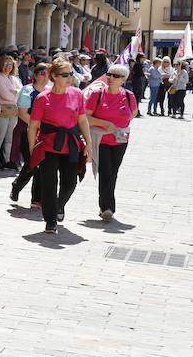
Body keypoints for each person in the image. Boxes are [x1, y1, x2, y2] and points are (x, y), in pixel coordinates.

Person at [26, 58, 93, 233]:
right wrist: (32, 149)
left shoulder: (77, 93)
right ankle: (50, 220)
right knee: (49, 184)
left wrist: (89, 144)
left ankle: (58, 206)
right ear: (53, 76)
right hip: (48, 146)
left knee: (70, 183)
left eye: (70, 73)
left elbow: (82, 120)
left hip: (70, 144)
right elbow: (33, 126)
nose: (69, 77)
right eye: (65, 74)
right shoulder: (42, 98)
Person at [84, 64, 137, 221]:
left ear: (123, 79)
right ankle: (107, 207)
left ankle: (105, 206)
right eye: (109, 74)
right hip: (101, 138)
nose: (110, 78)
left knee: (113, 171)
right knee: (106, 171)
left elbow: (132, 113)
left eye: (115, 76)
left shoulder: (128, 95)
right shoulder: (96, 94)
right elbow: (85, 116)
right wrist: (105, 124)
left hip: (120, 138)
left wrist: (120, 127)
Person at [10, 63, 51, 206]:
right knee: (33, 163)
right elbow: (23, 114)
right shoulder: (27, 90)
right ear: (35, 75)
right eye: (43, 74)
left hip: (43, 134)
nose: (46, 77)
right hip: (26, 131)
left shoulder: (49, 91)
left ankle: (37, 199)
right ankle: (17, 185)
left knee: (41, 164)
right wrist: (37, 125)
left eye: (48, 74)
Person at [0, 55, 21, 170]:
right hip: (3, 110)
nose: (8, 67)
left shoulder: (13, 78)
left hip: (14, 110)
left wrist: (15, 93)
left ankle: (7, 160)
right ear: (1, 65)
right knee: (0, 136)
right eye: (5, 64)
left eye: (10, 64)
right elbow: (5, 95)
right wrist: (14, 93)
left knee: (9, 137)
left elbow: (22, 91)